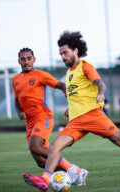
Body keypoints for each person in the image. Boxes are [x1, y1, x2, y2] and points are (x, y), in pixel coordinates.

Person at [22, 31, 120, 192]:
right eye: (61, 54)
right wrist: (69, 109)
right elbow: (77, 95)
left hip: (94, 116)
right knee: (54, 147)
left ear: (75, 51)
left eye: (65, 53)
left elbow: (101, 83)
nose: (63, 57)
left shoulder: (85, 66)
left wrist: (101, 93)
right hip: (76, 122)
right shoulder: (69, 73)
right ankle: (44, 180)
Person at [13, 48, 85, 183]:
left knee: (34, 147)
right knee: (41, 162)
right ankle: (75, 176)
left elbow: (62, 86)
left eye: (29, 58)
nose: (26, 62)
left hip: (43, 117)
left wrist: (71, 104)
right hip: (30, 123)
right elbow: (17, 101)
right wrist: (19, 111)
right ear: (19, 61)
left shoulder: (40, 75)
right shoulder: (15, 79)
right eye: (23, 59)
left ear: (34, 59)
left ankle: (72, 169)